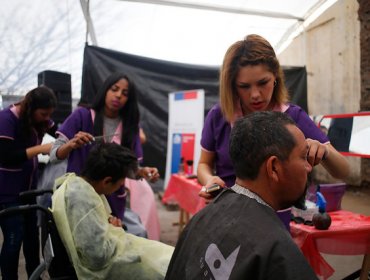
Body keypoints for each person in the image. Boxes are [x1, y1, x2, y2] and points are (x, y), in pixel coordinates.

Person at [165, 111, 318, 280]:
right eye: (304, 157)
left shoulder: (201, 218)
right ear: (274, 168)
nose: (309, 167)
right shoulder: (277, 250)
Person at [198, 34, 349, 200]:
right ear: (232, 85)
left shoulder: (293, 116)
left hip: (279, 219)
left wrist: (324, 151)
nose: (255, 95)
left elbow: (343, 171)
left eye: (263, 83)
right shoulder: (219, 116)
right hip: (229, 211)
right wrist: (209, 179)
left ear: (276, 76)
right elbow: (203, 164)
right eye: (244, 86)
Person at [50, 72, 160, 239]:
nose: (118, 96)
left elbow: (131, 169)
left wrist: (142, 172)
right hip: (80, 198)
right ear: (105, 90)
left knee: (109, 246)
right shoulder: (82, 116)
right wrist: (70, 144)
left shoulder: (130, 125)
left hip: (114, 201)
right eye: (114, 89)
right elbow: (54, 155)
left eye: (125, 93)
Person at [52, 142, 174, 279]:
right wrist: (114, 231)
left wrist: (110, 229)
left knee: (167, 256)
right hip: (102, 269)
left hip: (113, 249)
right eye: (121, 182)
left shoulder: (78, 184)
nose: (121, 185)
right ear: (107, 181)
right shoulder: (84, 200)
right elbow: (97, 258)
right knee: (167, 266)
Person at [0, 86, 57, 279]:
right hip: (7, 192)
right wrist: (39, 148)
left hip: (30, 190)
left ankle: (35, 276)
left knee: (32, 240)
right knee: (13, 240)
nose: (46, 118)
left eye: (49, 114)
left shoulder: (38, 120)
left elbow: (58, 132)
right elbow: (6, 157)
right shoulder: (7, 119)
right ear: (30, 108)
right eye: (43, 114)